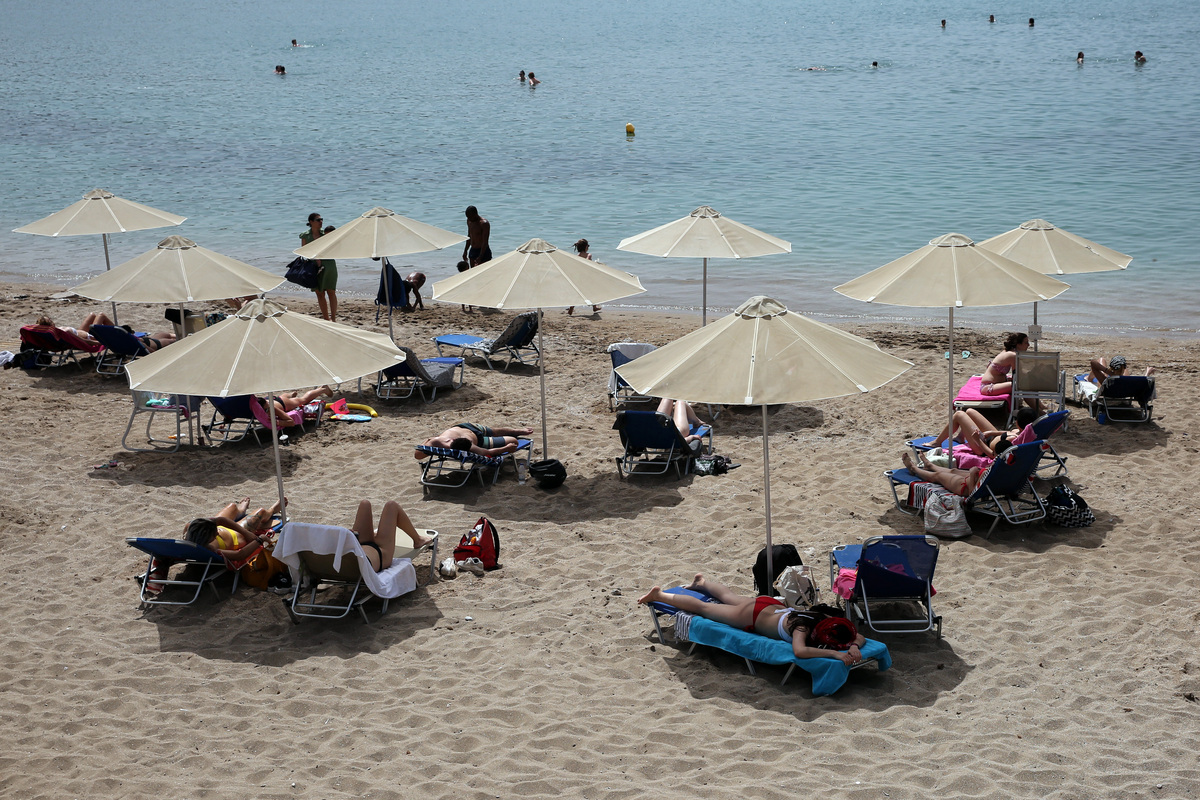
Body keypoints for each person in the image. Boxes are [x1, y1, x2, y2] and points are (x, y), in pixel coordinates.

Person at [637, 575, 867, 665]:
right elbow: (800, 651)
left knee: (729, 597)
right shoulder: (802, 629)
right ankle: (659, 596)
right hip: (753, 616)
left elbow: (859, 636)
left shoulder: (821, 617)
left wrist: (854, 646)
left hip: (771, 605)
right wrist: (835, 654)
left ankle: (702, 583)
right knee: (703, 608)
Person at [145, 497, 286, 593]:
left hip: (218, 528)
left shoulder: (191, 528)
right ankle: (273, 509)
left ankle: (241, 510)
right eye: (215, 534)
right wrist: (257, 538)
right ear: (209, 537)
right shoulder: (211, 549)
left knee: (231, 506)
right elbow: (239, 555)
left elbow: (220, 520)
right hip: (236, 536)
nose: (217, 533)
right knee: (261, 512)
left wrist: (216, 527)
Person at [926, 407, 1039, 468]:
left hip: (982, 448)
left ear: (1018, 423)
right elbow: (1007, 433)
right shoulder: (1023, 433)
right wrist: (991, 432)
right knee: (970, 411)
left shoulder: (1012, 440)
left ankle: (937, 442)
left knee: (959, 415)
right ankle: (961, 437)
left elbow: (993, 455)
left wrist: (978, 440)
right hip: (990, 438)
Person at [349, 499, 435, 572]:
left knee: (365, 504)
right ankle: (418, 540)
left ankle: (372, 536)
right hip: (379, 555)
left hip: (358, 546)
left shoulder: (342, 565)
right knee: (392, 506)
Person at [414, 422, 534, 460]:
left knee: (493, 430)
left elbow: (418, 452)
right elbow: (488, 453)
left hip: (466, 426)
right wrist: (506, 448)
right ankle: (514, 433)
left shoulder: (436, 441)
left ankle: (516, 430)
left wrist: (427, 441)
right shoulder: (470, 446)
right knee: (513, 440)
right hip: (480, 440)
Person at [301, 212, 338, 321]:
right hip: (314, 267)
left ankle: (333, 318)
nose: (321, 222)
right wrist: (316, 259)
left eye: (322, 219)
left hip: (329, 265)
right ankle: (326, 319)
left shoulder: (326, 233)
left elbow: (335, 246)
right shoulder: (305, 236)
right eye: (318, 220)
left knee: (331, 292)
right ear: (311, 222)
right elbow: (304, 252)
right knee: (320, 293)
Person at [978, 331, 1034, 402]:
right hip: (988, 387)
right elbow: (1018, 376)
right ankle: (1040, 408)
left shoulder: (1007, 352)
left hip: (994, 384)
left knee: (1023, 384)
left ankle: (1040, 406)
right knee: (1022, 385)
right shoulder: (1012, 355)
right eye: (1026, 342)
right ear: (1018, 344)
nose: (1028, 345)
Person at [901, 451, 982, 498]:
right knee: (953, 471)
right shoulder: (989, 472)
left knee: (938, 475)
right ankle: (929, 465)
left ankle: (913, 469)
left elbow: (972, 493)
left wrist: (972, 474)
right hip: (970, 480)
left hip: (964, 487)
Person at [261, 386, 333, 425]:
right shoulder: (259, 405)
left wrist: (278, 422)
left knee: (304, 400)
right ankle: (289, 395)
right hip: (270, 400)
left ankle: (323, 389)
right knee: (284, 398)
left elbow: (289, 420)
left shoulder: (270, 409)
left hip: (282, 403)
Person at [566, 239, 600, 315]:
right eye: (588, 246)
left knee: (577, 293)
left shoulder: (578, 256)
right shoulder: (589, 255)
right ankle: (594, 307)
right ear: (586, 247)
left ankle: (571, 309)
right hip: (587, 276)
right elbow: (587, 262)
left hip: (579, 276)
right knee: (592, 291)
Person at [34, 311, 114, 342]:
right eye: (50, 320)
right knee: (101, 315)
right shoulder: (64, 331)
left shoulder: (53, 332)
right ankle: (118, 334)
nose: (52, 320)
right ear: (49, 324)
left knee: (92, 315)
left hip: (80, 332)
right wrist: (100, 343)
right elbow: (84, 341)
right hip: (89, 337)